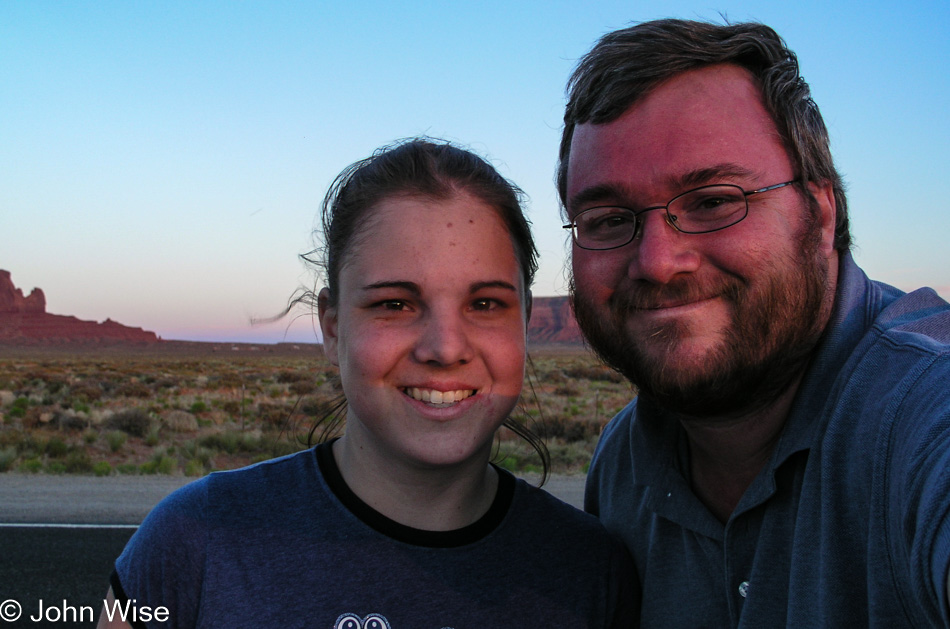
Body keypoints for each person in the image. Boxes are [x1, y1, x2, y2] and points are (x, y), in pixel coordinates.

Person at [98, 138, 637, 629]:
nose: (445, 348)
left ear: (523, 324)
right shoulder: (196, 540)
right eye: (395, 304)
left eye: (485, 303)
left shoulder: (591, 573)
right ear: (332, 328)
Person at [558, 18, 950, 627]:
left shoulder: (921, 414)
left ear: (820, 214)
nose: (658, 263)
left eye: (714, 200)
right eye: (608, 219)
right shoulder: (622, 465)